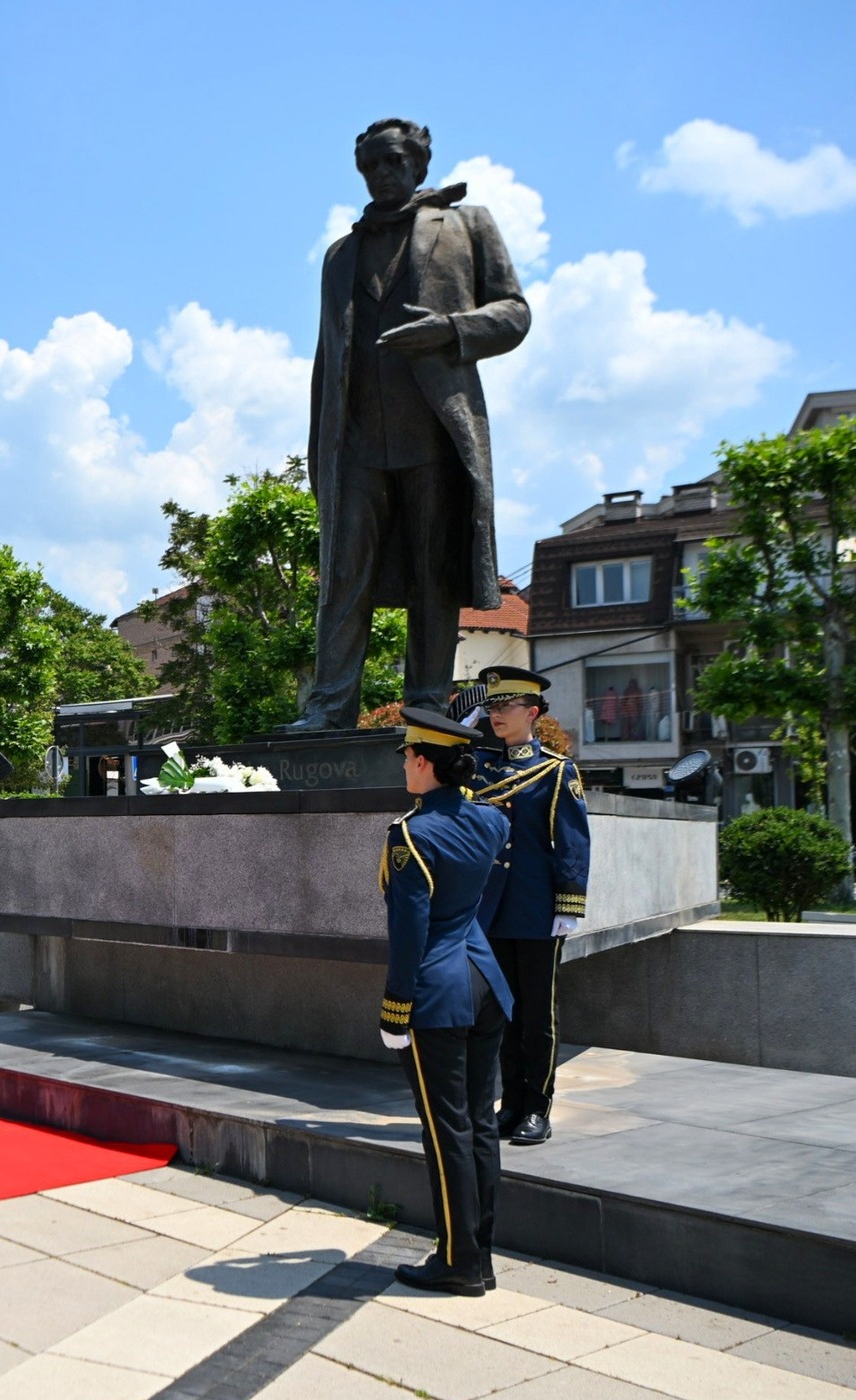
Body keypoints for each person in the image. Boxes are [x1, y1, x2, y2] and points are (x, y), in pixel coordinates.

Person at [292, 118, 530, 728]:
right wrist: (321, 452)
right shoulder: (340, 254)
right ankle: (329, 705)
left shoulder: (467, 223)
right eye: (371, 165)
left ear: (419, 164)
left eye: (393, 161)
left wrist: (449, 331)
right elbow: (328, 360)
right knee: (343, 577)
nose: (382, 174)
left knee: (434, 572)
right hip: (356, 444)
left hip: (434, 434)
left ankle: (427, 705)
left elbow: (514, 314)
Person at [380, 707, 514, 1296]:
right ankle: (479, 1255)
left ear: (427, 764)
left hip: (437, 991)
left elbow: (409, 933)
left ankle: (458, 1262)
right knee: (478, 1125)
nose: (406, 764)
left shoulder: (410, 834)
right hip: (485, 981)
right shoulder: (491, 822)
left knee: (446, 1131)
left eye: (411, 756)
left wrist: (395, 1008)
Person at [469, 666, 589, 1147]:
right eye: (492, 706)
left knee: (537, 1015)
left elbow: (573, 842)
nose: (496, 714)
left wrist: (570, 903)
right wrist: (466, 719)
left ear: (532, 713)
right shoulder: (479, 768)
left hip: (538, 912)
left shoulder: (557, 771)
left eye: (506, 707)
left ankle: (537, 1107)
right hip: (491, 912)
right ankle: (510, 1103)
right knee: (501, 1012)